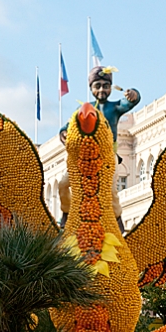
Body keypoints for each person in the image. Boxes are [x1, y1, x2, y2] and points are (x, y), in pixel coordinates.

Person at [58, 66, 140, 232]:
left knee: (110, 189)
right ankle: (66, 213)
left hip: (108, 157)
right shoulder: (82, 110)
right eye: (98, 86)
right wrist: (64, 133)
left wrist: (134, 94)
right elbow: (67, 127)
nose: (102, 89)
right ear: (91, 88)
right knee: (63, 184)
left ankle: (117, 220)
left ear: (111, 88)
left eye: (105, 85)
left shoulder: (114, 107)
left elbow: (130, 102)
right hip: (84, 160)